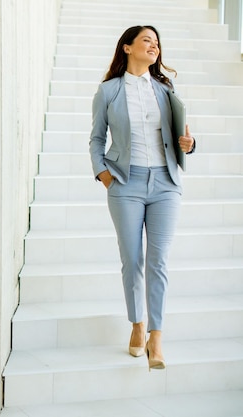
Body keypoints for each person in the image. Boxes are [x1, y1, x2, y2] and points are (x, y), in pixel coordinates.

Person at [89, 25, 196, 370]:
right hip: (126, 183)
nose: (154, 46)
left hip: (165, 183)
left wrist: (188, 145)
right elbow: (96, 138)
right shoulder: (108, 91)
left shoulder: (165, 89)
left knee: (158, 262)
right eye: (146, 41)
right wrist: (104, 174)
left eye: (157, 42)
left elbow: (180, 134)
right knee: (132, 259)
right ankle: (136, 325)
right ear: (127, 48)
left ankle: (156, 336)